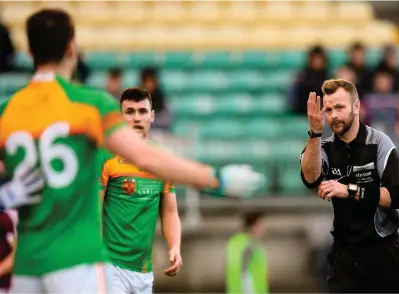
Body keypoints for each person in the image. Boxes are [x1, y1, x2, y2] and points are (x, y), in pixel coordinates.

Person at [0, 9, 264, 293]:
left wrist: (6, 196)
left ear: (29, 50)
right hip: (76, 259)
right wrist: (216, 179)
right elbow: (145, 156)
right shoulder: (89, 104)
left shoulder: (7, 111)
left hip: (28, 262)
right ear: (72, 48)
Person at [299, 79, 399, 293]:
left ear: (357, 107)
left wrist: (349, 190)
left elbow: (397, 197)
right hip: (344, 255)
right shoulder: (324, 147)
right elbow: (311, 178)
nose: (334, 115)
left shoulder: (379, 142)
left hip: (383, 252)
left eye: (340, 107)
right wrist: (314, 132)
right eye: (329, 109)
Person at [99, 87, 182, 294]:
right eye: (130, 112)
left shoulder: (162, 160)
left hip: (144, 270)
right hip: (111, 266)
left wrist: (175, 247)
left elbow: (170, 212)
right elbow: (94, 212)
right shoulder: (106, 156)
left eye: (142, 111)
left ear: (152, 116)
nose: (137, 118)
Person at [226, 211, 268, 294]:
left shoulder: (236, 242)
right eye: (261, 225)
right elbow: (244, 272)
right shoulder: (250, 245)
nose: (264, 228)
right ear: (254, 226)